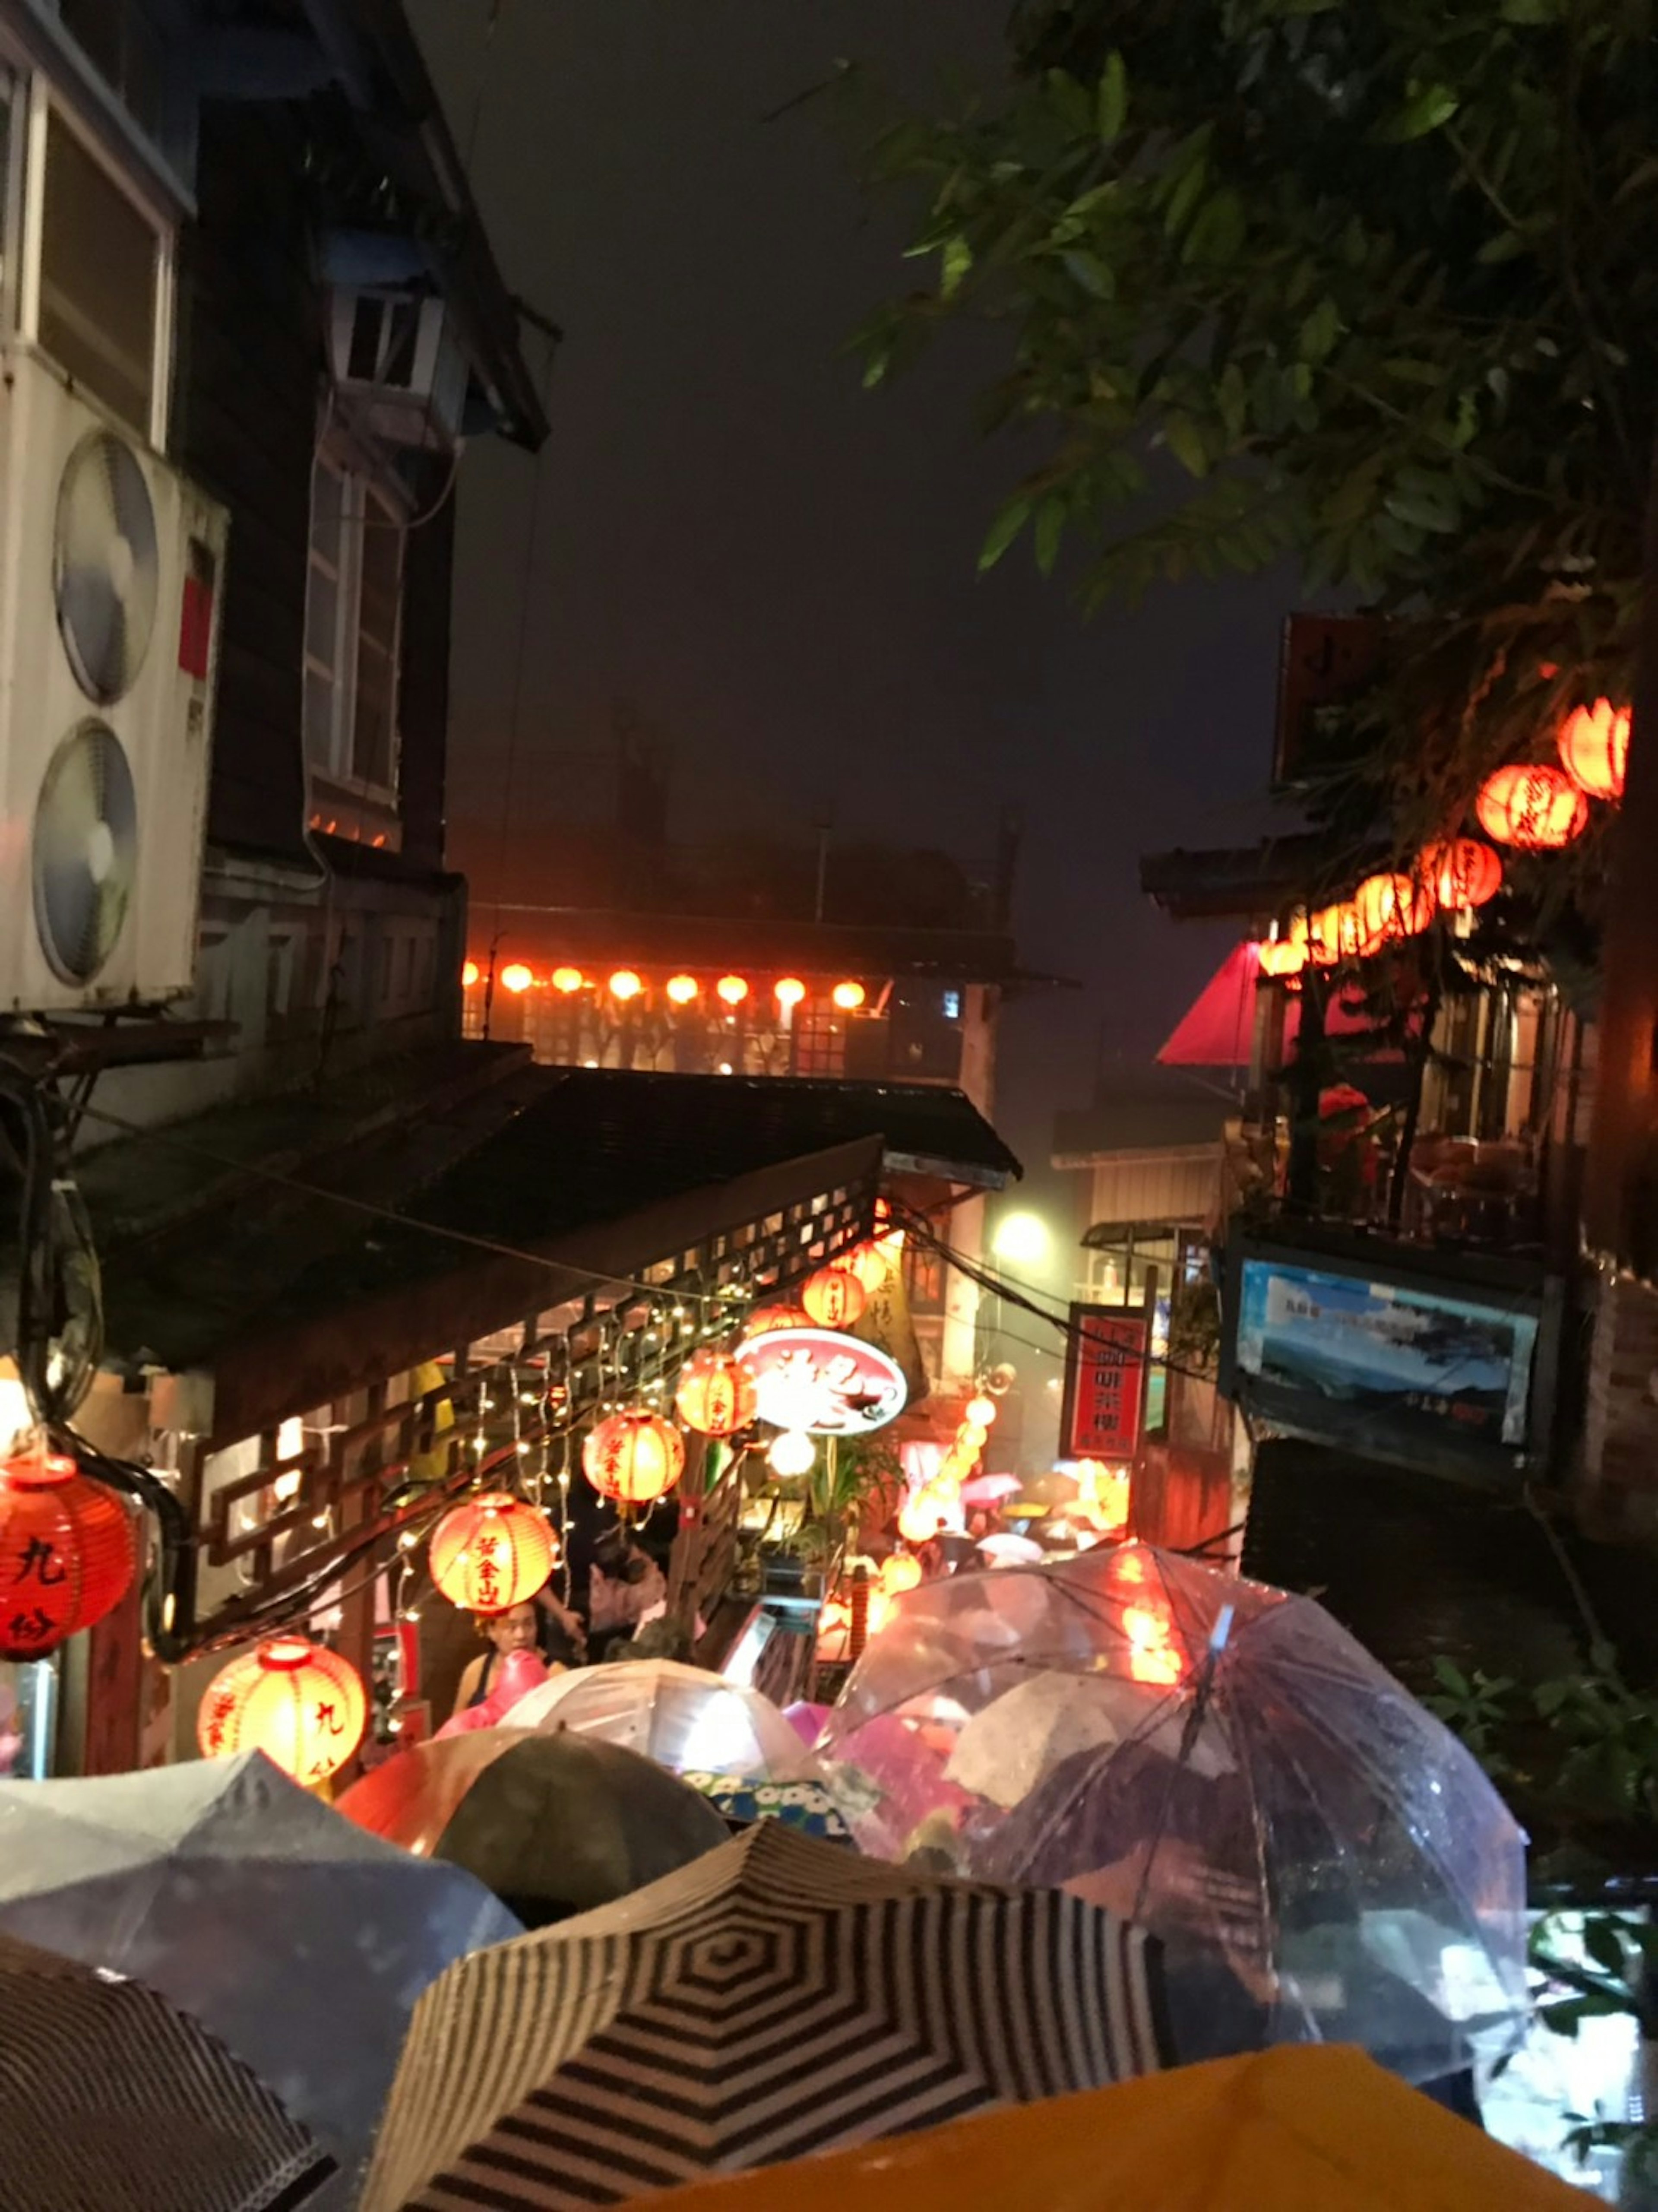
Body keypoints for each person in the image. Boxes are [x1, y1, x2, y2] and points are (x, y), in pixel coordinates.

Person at [449, 1590, 585, 1721]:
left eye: (529, 1624)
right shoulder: (477, 1671)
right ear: (492, 1631)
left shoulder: (557, 1676)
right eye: (511, 1627)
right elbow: (456, 1732)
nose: (521, 1635)